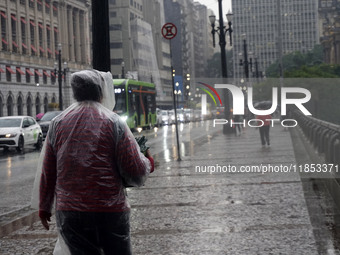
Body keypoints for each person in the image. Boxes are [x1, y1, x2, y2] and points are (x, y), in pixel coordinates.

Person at [37, 69, 154, 255]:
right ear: (101, 91)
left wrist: (44, 207)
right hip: (110, 212)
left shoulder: (58, 124)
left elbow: (48, 171)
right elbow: (135, 171)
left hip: (70, 213)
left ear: (75, 92)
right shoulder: (113, 122)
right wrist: (148, 161)